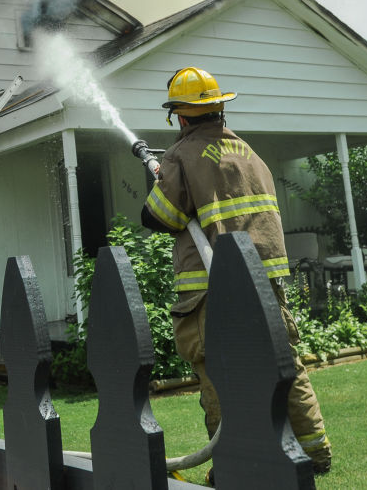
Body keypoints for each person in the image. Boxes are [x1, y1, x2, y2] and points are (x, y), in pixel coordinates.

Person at [140, 67, 332, 476]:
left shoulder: (181, 155)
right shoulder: (251, 154)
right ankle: (314, 452)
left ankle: (230, 463)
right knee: (284, 366)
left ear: (182, 116)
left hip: (211, 290)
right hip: (266, 285)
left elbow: (158, 218)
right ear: (219, 108)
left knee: (219, 374)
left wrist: (159, 181)